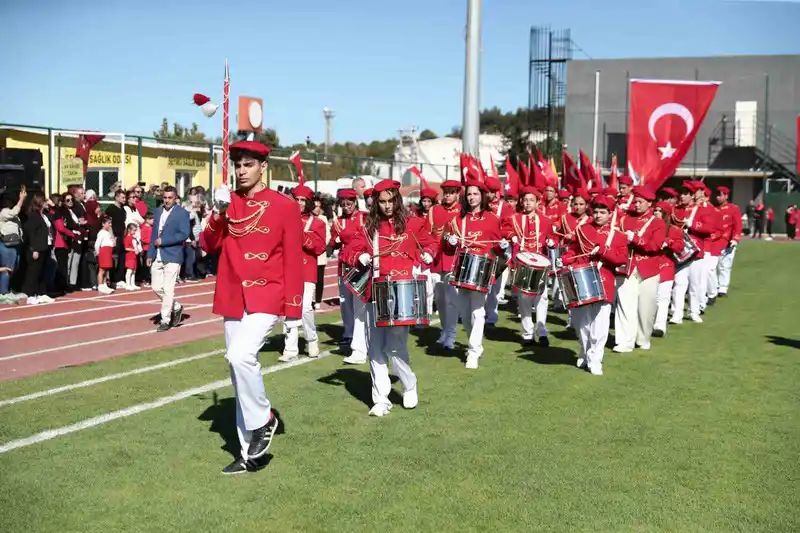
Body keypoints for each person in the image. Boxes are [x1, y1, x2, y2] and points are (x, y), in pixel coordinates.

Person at [201, 140, 304, 474]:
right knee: (237, 372)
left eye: (248, 165)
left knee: (240, 356)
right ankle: (250, 455)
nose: (241, 171)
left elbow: (293, 259)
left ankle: (265, 419)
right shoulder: (226, 202)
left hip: (267, 294)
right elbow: (209, 245)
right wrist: (216, 213)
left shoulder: (285, 206)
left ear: (263, 167)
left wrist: (294, 310)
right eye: (238, 165)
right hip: (233, 293)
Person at [346, 180, 437, 416]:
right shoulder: (369, 227)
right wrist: (360, 256)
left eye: (391, 201)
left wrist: (428, 254)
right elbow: (349, 250)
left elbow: (431, 243)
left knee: (395, 348)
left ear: (398, 200)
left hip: (401, 292)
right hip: (374, 293)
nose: (387, 206)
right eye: (382, 202)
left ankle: (409, 384)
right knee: (374, 349)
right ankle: (381, 399)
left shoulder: (414, 223)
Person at [560, 195, 628, 376]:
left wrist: (604, 251)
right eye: (596, 212)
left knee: (601, 322)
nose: (598, 216)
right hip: (582, 278)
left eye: (602, 212)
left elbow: (621, 259)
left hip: (605, 279)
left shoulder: (619, 235)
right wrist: (566, 258)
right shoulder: (582, 229)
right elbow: (573, 250)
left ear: (610, 214)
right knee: (582, 322)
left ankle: (596, 357)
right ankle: (584, 350)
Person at [445, 180, 504, 369]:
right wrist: (450, 241)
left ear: (482, 196)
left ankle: (473, 351)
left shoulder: (492, 218)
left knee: (478, 311)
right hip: (462, 268)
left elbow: (497, 247)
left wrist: (502, 247)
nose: (472, 198)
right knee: (465, 311)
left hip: (482, 268)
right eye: (469, 194)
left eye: (475, 194)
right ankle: (475, 346)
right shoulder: (458, 219)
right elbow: (446, 245)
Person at [613, 186, 665, 352]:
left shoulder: (658, 222)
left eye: (640, 202)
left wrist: (635, 238)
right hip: (627, 267)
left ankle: (643, 338)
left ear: (650, 203)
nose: (636, 205)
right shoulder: (624, 219)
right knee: (624, 306)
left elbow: (655, 246)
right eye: (635, 201)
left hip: (648, 269)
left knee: (646, 308)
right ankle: (624, 342)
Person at [501, 185, 554, 346]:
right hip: (522, 262)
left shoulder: (545, 220)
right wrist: (512, 236)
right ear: (522, 202)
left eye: (532, 200)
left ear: (538, 202)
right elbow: (504, 229)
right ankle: (528, 333)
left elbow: (552, 237)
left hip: (540, 262)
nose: (528, 203)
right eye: (525, 200)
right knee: (523, 298)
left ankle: (542, 330)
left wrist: (552, 242)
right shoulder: (515, 218)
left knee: (542, 297)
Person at [280, 185, 326, 361]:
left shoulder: (317, 222)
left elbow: (320, 247)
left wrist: (302, 235)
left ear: (308, 203)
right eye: (296, 200)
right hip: (287, 269)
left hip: (307, 270)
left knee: (306, 307)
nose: (299, 203)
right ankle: (290, 348)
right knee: (289, 308)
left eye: (302, 201)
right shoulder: (284, 219)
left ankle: (311, 339)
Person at [329, 188, 368, 363]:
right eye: (343, 204)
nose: (346, 207)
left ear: (355, 202)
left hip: (360, 265)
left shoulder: (363, 217)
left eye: (349, 203)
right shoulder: (338, 222)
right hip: (344, 265)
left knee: (359, 304)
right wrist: (335, 241)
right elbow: (331, 244)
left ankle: (361, 343)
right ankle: (349, 333)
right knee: (345, 302)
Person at [147, 186, 190, 332]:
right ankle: (176, 307)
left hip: (173, 255)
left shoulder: (182, 213)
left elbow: (184, 234)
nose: (167, 200)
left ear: (175, 198)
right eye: (165, 197)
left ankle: (165, 320)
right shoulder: (158, 211)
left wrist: (164, 241)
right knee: (155, 287)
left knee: (168, 289)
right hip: (157, 255)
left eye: (170, 197)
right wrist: (150, 253)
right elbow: (154, 234)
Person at [428, 180, 462, 350]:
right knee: (439, 298)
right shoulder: (434, 210)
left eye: (452, 192)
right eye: (446, 191)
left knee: (452, 299)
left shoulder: (462, 211)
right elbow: (429, 232)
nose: (448, 194)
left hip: (454, 259)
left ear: (458, 193)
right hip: (436, 259)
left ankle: (452, 334)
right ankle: (444, 330)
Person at [652, 201, 684, 337]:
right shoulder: (648, 227)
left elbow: (680, 247)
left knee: (663, 298)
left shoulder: (674, 230)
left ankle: (660, 326)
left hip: (666, 267)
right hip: (650, 267)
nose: (656, 213)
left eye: (659, 210)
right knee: (650, 298)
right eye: (655, 210)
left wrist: (669, 242)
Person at [22, 194, 55, 305]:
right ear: (40, 202)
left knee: (42, 272)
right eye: (45, 200)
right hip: (36, 249)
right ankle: (30, 295)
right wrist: (33, 249)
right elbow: (30, 233)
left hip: (45, 246)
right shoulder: (33, 216)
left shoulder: (44, 215)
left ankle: (42, 293)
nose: (47, 202)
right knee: (33, 273)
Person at [714, 186, 742, 298]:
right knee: (714, 266)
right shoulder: (715, 209)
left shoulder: (733, 208)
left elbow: (738, 225)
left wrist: (735, 239)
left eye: (721, 195)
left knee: (725, 265)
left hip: (728, 242)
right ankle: (714, 286)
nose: (718, 197)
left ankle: (723, 288)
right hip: (715, 242)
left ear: (726, 196)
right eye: (717, 195)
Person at [0, 187, 26, 302]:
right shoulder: (3, 212)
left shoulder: (11, 211)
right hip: (6, 244)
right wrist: (21, 200)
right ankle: (3, 292)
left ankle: (9, 289)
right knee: (7, 268)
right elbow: (14, 212)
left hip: (15, 243)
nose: (11, 202)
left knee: (15, 267)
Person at [105, 189, 128, 287]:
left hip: (122, 236)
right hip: (114, 236)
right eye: (122, 197)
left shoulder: (123, 209)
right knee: (114, 259)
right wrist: (112, 236)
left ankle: (120, 279)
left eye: (125, 197)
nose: (124, 199)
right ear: (116, 197)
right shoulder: (111, 209)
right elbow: (108, 224)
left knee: (122, 258)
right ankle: (112, 279)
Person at [312, 196, 331, 308]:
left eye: (319, 206)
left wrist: (321, 246)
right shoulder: (307, 218)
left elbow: (327, 235)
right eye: (315, 206)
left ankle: (318, 301)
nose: (317, 209)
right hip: (308, 254)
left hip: (320, 252)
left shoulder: (323, 218)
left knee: (319, 278)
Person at [94, 216, 116, 294]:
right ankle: (100, 286)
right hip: (103, 252)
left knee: (106, 270)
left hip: (109, 251)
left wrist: (111, 233)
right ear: (103, 224)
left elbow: (113, 244)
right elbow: (97, 244)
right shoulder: (101, 232)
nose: (110, 225)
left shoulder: (108, 233)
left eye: (111, 223)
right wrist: (98, 252)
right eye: (108, 223)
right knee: (102, 270)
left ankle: (104, 285)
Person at [123, 223, 141, 290]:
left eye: (135, 230)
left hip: (134, 256)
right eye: (133, 230)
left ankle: (132, 284)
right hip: (129, 256)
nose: (135, 232)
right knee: (129, 270)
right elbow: (126, 248)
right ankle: (128, 284)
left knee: (134, 271)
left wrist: (137, 249)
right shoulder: (127, 238)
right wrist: (134, 250)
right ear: (129, 230)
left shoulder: (133, 238)